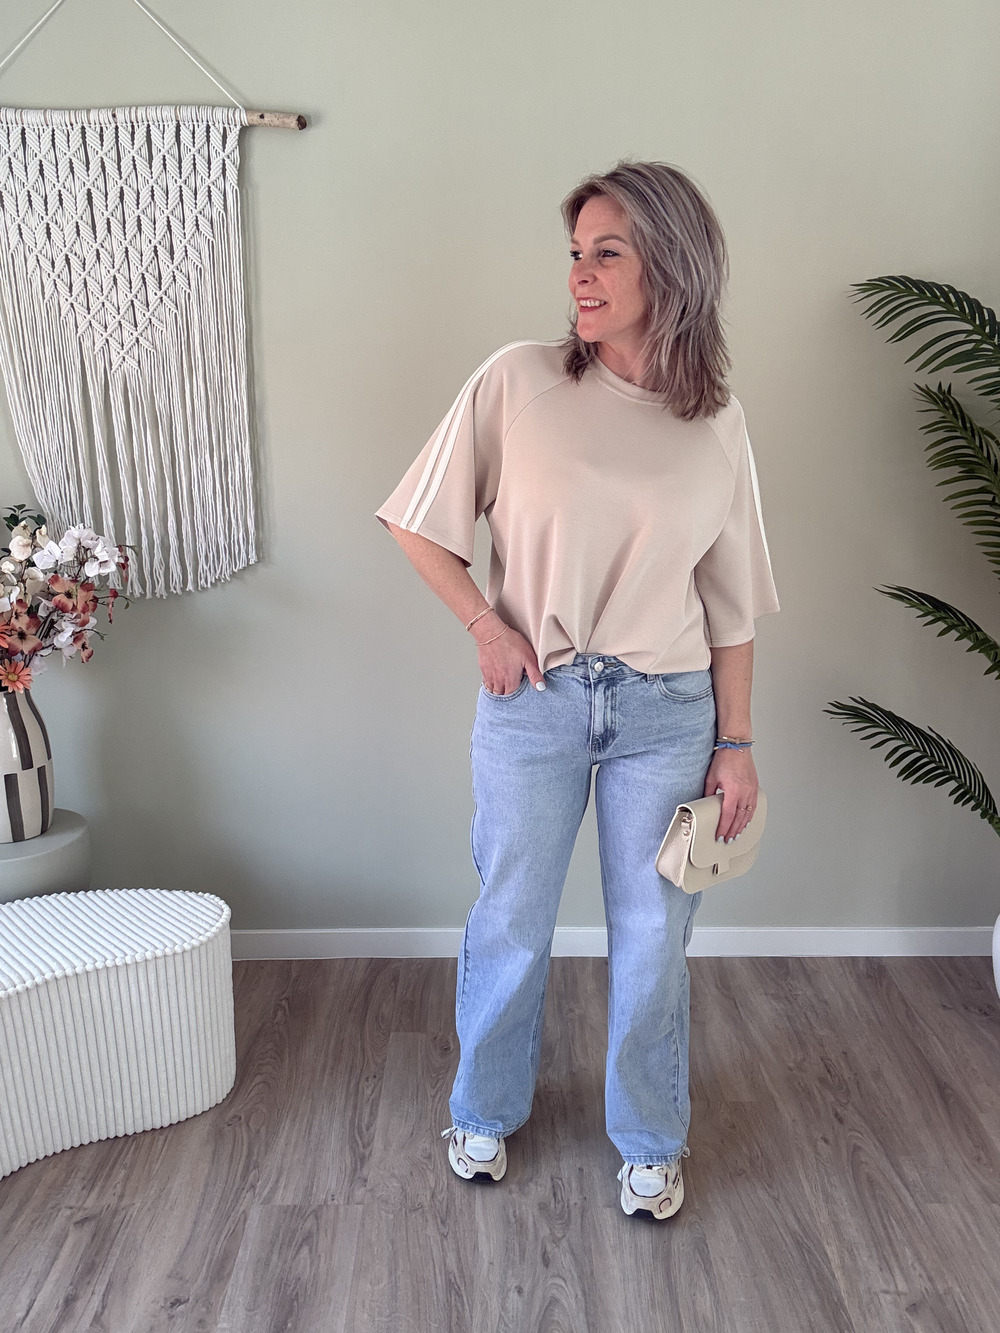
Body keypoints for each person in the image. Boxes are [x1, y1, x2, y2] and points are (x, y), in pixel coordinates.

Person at [375, 160, 779, 1220]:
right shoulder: (519, 382)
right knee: (510, 915)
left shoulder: (716, 422)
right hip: (537, 702)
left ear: (672, 267)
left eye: (607, 253)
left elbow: (732, 606)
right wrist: (485, 623)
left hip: (668, 709)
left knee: (653, 936)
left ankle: (650, 1138)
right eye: (574, 254)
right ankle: (482, 1108)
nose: (580, 276)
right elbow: (417, 521)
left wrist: (736, 743)